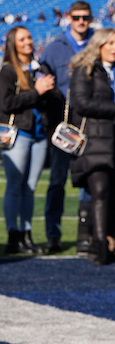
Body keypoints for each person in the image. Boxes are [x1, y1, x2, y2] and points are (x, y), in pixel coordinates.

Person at [0, 26, 59, 255]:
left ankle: (27, 234)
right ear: (13, 43)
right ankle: (13, 236)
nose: (28, 42)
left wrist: (49, 90)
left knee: (30, 187)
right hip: (18, 133)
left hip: (39, 134)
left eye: (29, 37)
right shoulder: (8, 71)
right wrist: (37, 91)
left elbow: (50, 98)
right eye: (22, 39)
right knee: (15, 185)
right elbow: (6, 103)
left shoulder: (39, 67)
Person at [41, 1, 94, 254]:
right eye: (76, 17)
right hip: (62, 125)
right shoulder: (54, 48)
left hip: (91, 122)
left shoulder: (99, 43)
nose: (81, 21)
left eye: (85, 17)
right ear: (68, 18)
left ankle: (88, 234)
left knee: (90, 180)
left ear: (91, 18)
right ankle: (53, 234)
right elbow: (42, 81)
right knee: (57, 181)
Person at [68, 29, 115, 266]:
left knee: (110, 195)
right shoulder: (85, 70)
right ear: (99, 45)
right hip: (95, 141)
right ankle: (99, 246)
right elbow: (82, 104)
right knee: (100, 193)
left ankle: (108, 241)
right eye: (111, 43)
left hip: (111, 141)